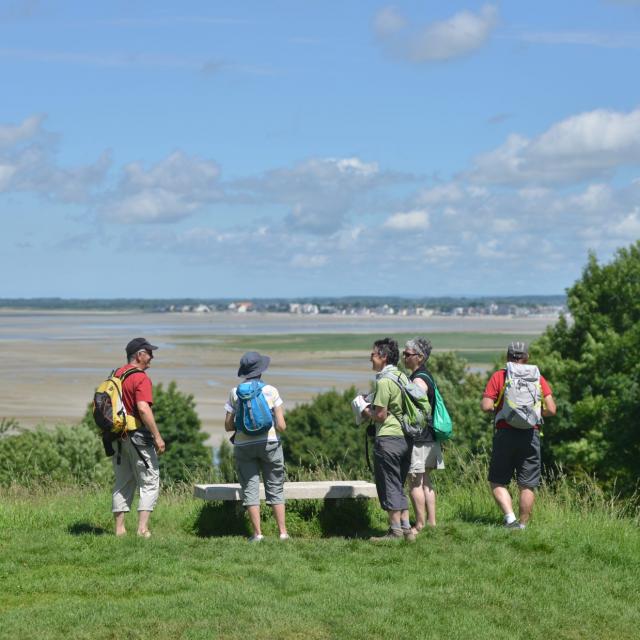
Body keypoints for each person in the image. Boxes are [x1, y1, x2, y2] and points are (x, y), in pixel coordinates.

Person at [481, 341, 556, 529]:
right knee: (527, 484)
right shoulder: (537, 378)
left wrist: (502, 411)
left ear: (507, 357)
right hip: (531, 434)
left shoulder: (500, 376)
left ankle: (510, 519)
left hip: (505, 433)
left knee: (497, 480)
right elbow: (552, 409)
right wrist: (535, 414)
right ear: (527, 357)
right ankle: (522, 526)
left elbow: (486, 406)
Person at [224, 351, 289, 542]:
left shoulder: (235, 393)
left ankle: (258, 534)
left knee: (250, 489)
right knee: (275, 486)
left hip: (244, 446)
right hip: (270, 444)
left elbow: (228, 426)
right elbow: (282, 426)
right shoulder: (271, 391)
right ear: (261, 370)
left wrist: (243, 425)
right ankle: (283, 533)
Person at [361, 337, 415, 542]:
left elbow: (381, 415)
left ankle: (395, 531)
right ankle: (406, 529)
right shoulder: (402, 377)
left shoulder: (384, 381)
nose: (370, 359)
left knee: (389, 484)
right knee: (398, 483)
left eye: (373, 355)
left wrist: (365, 411)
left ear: (383, 357)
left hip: (388, 438)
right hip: (406, 438)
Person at [112, 337, 166, 538]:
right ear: (139, 355)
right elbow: (143, 408)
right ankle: (142, 529)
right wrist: (157, 436)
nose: (152, 356)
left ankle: (119, 530)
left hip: (116, 435)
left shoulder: (117, 374)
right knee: (150, 480)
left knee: (123, 481)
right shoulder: (140, 378)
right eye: (149, 352)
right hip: (137, 437)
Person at [402, 337, 444, 533]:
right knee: (426, 481)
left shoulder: (418, 379)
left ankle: (419, 524)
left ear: (419, 357)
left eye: (408, 354)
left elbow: (416, 405)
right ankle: (432, 524)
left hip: (419, 438)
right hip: (431, 437)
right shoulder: (427, 375)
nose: (404, 357)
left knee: (415, 482)